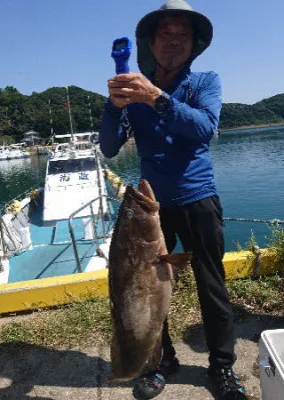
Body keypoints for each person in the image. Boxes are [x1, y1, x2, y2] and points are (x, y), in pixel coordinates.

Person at [99, 0, 248, 399]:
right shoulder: (130, 88)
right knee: (146, 283)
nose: (174, 41)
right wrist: (114, 109)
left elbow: (203, 129)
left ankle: (222, 367)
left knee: (211, 285)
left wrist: (156, 97)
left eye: (183, 35)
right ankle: (161, 362)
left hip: (198, 198)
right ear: (152, 41)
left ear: (193, 44)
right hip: (148, 209)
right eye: (166, 33)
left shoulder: (205, 82)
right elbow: (110, 147)